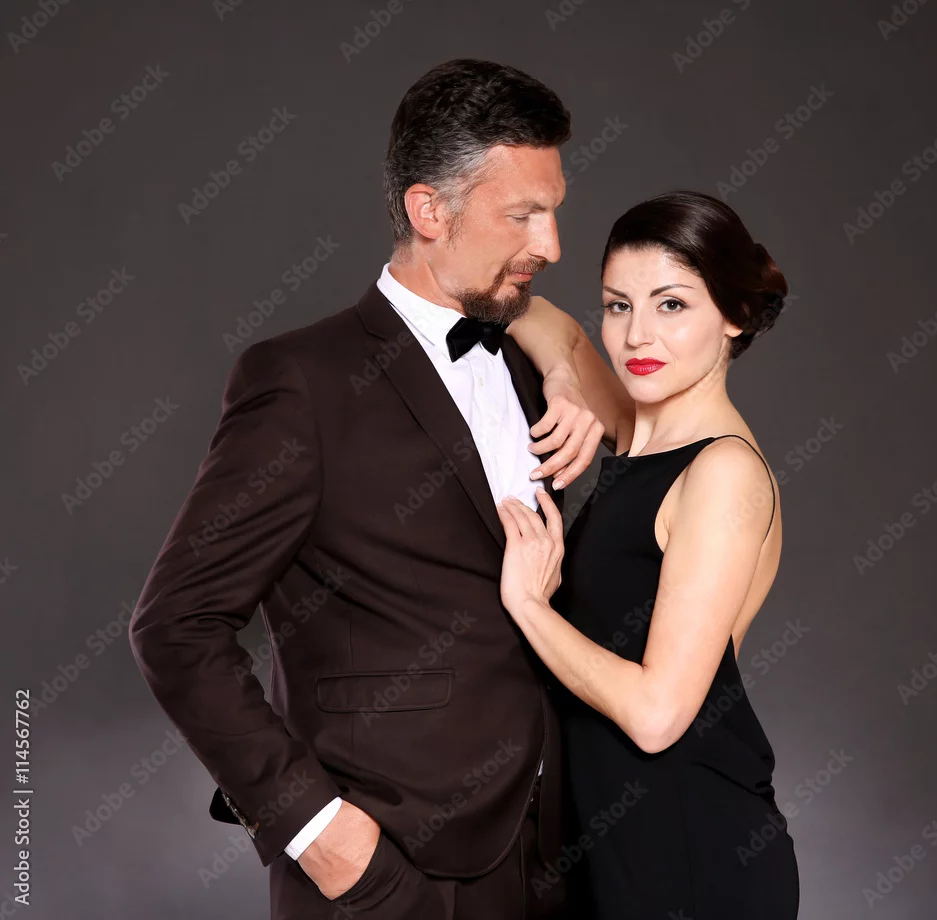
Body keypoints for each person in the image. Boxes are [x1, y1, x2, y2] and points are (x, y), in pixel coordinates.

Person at [128, 58, 607, 920]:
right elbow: (174, 627)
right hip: (388, 876)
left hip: (547, 864)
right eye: (523, 215)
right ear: (430, 211)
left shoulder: (530, 370)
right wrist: (318, 833)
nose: (553, 245)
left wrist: (567, 364)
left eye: (554, 210)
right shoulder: (301, 383)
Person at [496, 190, 800, 918]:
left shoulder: (722, 471)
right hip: (616, 843)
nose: (637, 336)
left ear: (734, 315)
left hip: (693, 849)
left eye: (671, 305)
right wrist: (565, 375)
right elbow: (529, 312)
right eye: (618, 305)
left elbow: (658, 714)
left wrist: (529, 607)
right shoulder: (639, 431)